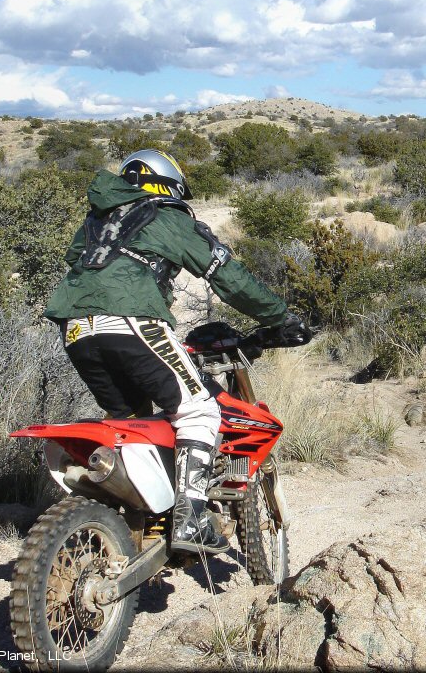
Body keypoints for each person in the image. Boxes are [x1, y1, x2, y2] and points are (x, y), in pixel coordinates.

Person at [44, 148, 310, 555]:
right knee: (199, 411)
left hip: (76, 328)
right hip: (130, 320)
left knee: (132, 425)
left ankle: (135, 522)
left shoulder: (98, 220)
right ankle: (191, 518)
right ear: (166, 185)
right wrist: (279, 316)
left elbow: (79, 263)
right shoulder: (165, 216)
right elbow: (226, 275)